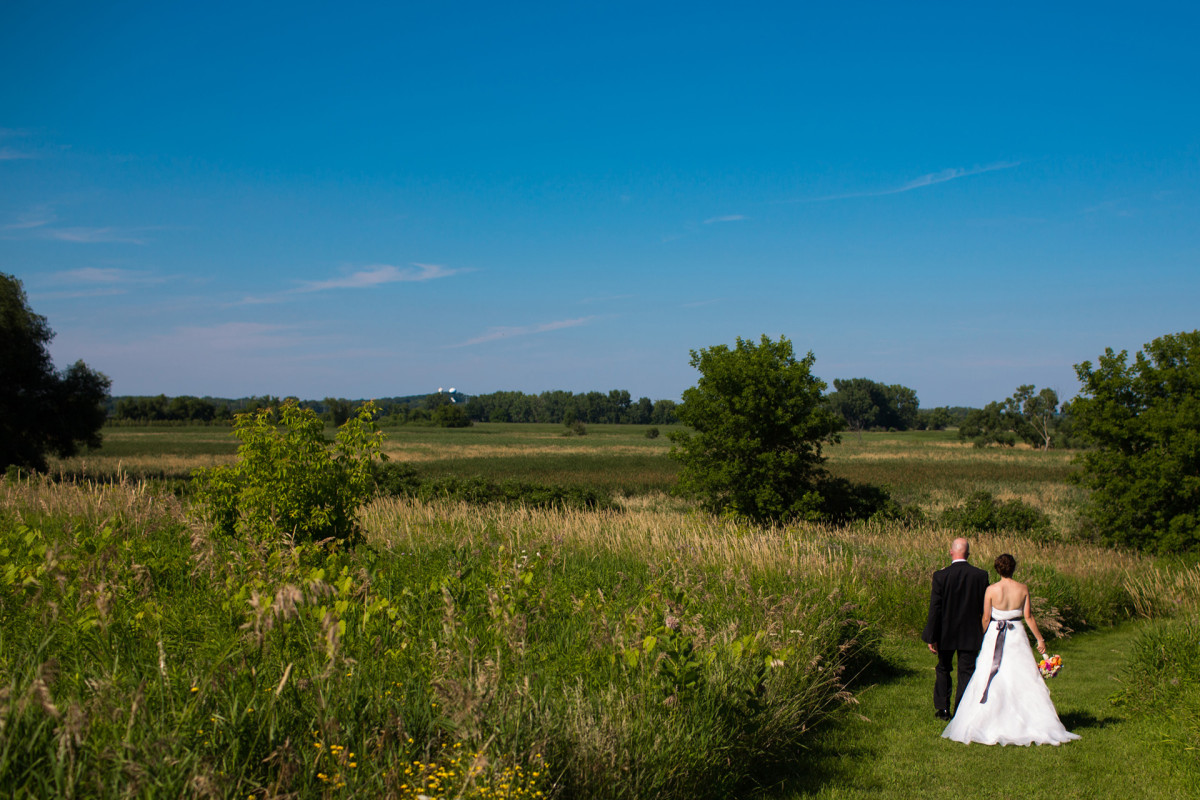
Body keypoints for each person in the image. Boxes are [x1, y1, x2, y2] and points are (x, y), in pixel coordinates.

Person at [941, 553, 1080, 746]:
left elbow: (985, 618)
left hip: (994, 635)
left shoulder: (991, 590)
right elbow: (1029, 617)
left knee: (990, 675)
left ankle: (988, 719)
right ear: (1013, 568)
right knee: (1021, 676)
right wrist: (1040, 639)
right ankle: (1027, 720)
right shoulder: (1023, 589)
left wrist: (980, 638)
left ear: (997, 569)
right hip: (1017, 636)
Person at [921, 537, 990, 720]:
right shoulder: (981, 576)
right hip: (970, 631)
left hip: (946, 632)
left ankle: (942, 708)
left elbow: (935, 607)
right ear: (968, 553)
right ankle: (962, 709)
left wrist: (931, 635)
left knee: (943, 668)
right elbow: (985, 607)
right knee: (966, 671)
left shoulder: (941, 576)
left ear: (951, 552)